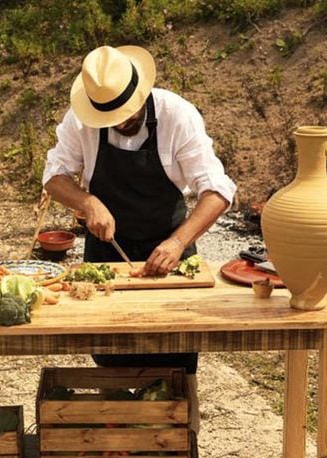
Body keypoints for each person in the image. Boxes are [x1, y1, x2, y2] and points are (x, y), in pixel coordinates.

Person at [43, 45, 237, 432]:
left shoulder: (177, 115)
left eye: (126, 113)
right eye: (109, 116)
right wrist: (87, 202)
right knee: (112, 360)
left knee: (176, 362)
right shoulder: (81, 119)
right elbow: (54, 176)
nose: (120, 121)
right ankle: (119, 452)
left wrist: (179, 243)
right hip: (107, 254)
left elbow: (217, 190)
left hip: (169, 251)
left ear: (142, 93)